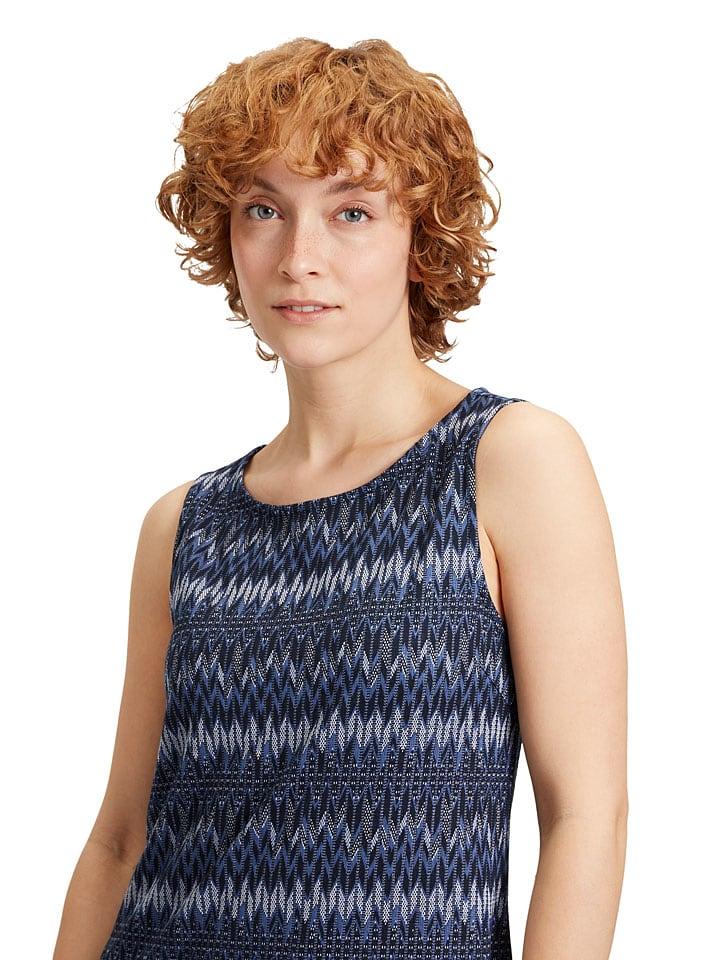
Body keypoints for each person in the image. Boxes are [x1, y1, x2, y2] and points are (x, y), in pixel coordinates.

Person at [53, 38, 628, 960]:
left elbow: (585, 815)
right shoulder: (183, 525)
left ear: (421, 238)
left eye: (351, 211)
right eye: (263, 209)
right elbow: (120, 839)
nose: (299, 257)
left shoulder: (508, 461)